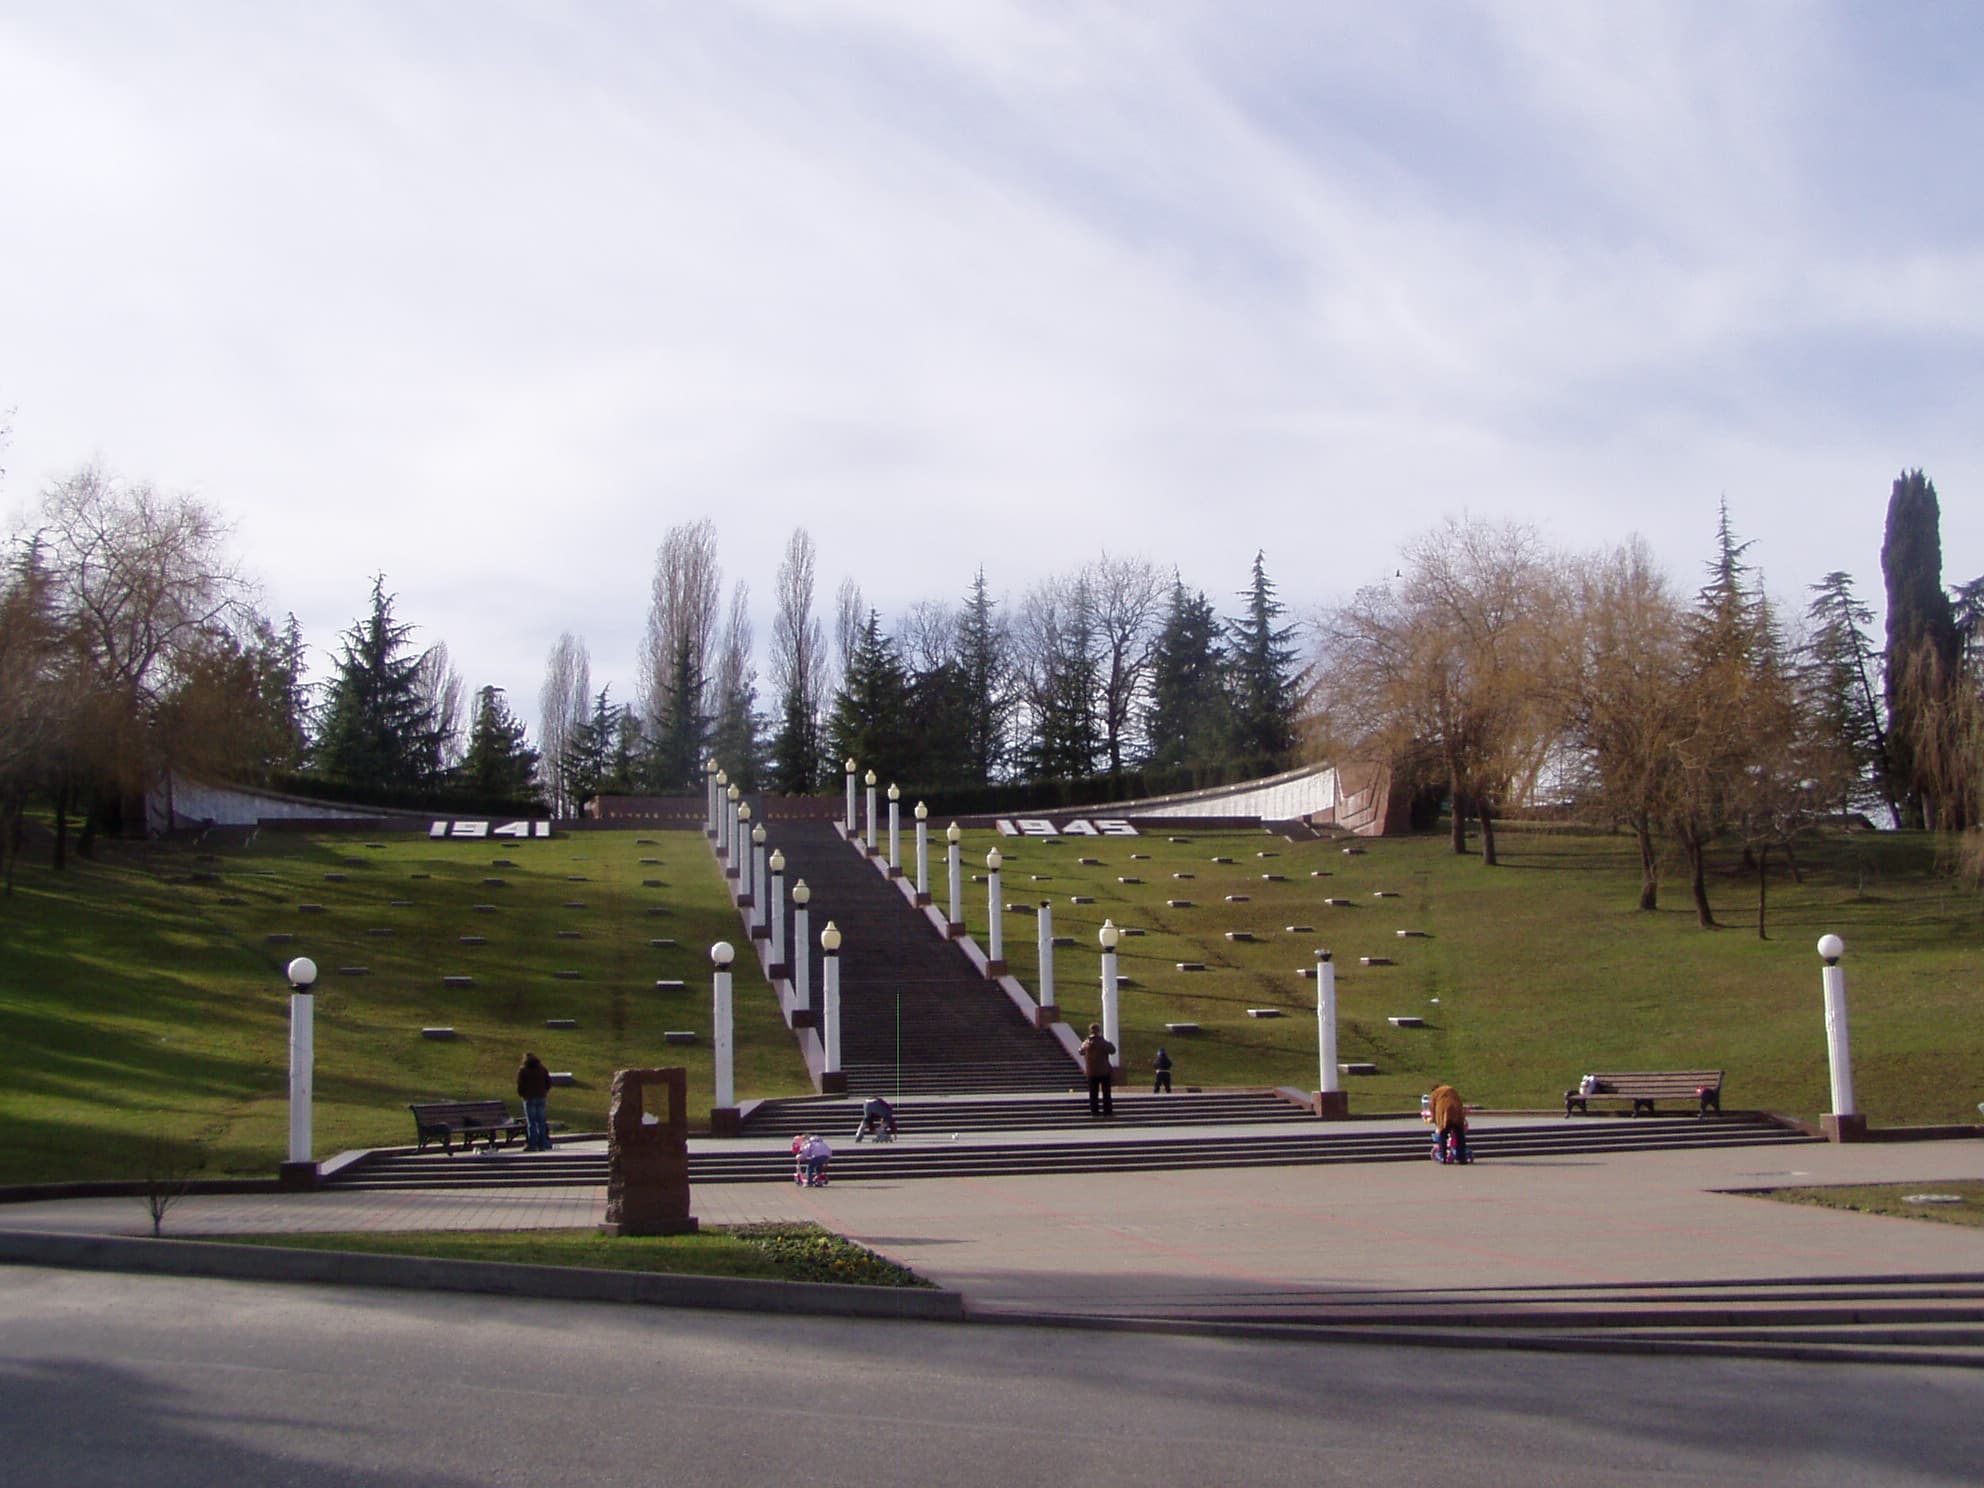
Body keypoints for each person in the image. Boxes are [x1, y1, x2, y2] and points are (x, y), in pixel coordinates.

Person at [516, 1052, 553, 1152]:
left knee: (531, 1122)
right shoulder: (542, 1069)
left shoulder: (523, 1070)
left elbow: (520, 1085)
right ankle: (543, 1143)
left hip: (529, 1098)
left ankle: (532, 1144)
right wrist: (544, 1091)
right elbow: (548, 1082)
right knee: (541, 1121)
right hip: (541, 1097)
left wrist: (523, 1094)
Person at [1079, 1022, 1116, 1118]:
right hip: (1104, 1071)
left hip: (1091, 1072)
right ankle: (1108, 1111)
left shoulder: (1086, 1042)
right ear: (1099, 1031)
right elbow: (1112, 1050)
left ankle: (1094, 1111)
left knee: (1093, 1093)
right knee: (1106, 1093)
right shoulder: (1103, 1042)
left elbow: (1080, 1051)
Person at [1428, 1082, 1470, 1165]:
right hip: (1456, 1111)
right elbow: (1459, 1101)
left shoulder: (1434, 1094)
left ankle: (1443, 1156)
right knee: (1459, 1135)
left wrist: (1433, 1119)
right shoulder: (1450, 1089)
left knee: (1443, 1134)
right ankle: (1461, 1158)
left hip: (1445, 1113)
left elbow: (1432, 1108)